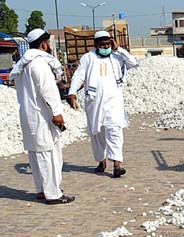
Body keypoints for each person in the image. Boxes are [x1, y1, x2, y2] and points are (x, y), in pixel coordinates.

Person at [9, 28, 75, 205]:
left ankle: (41, 189)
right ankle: (53, 193)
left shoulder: (23, 65)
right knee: (48, 154)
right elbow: (48, 90)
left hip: (28, 115)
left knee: (36, 155)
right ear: (44, 44)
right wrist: (57, 113)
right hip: (41, 116)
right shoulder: (38, 64)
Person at [66, 31, 138, 178]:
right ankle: (101, 161)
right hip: (94, 102)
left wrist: (118, 49)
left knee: (114, 130)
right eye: (103, 44)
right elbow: (79, 76)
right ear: (96, 44)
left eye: (108, 44)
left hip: (114, 102)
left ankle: (117, 165)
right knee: (96, 133)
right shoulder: (88, 58)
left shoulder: (117, 56)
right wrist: (72, 92)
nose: (106, 47)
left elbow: (133, 63)